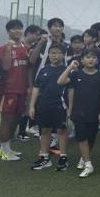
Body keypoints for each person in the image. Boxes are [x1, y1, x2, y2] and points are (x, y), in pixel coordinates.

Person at [58, 50, 100, 178]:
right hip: (79, 112)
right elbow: (60, 81)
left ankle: (84, 157)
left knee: (91, 137)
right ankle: (88, 164)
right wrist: (70, 67)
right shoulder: (76, 74)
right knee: (81, 137)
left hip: (94, 112)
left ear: (97, 60)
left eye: (93, 57)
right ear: (82, 60)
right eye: (88, 57)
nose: (91, 59)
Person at [29, 43, 69, 171]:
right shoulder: (43, 70)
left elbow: (71, 90)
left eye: (58, 53)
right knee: (45, 131)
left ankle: (63, 157)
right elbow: (36, 88)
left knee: (61, 131)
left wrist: (70, 107)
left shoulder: (67, 70)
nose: (54, 55)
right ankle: (45, 157)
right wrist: (32, 106)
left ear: (63, 55)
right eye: (52, 53)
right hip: (43, 106)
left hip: (60, 106)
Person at [0, 20, 30, 161]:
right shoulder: (3, 47)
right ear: (8, 31)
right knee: (7, 119)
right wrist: (9, 49)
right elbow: (6, 67)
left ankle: (7, 148)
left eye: (20, 28)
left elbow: (29, 68)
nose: (17, 31)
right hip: (8, 89)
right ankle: (4, 150)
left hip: (22, 89)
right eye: (14, 29)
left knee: (16, 118)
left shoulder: (25, 47)